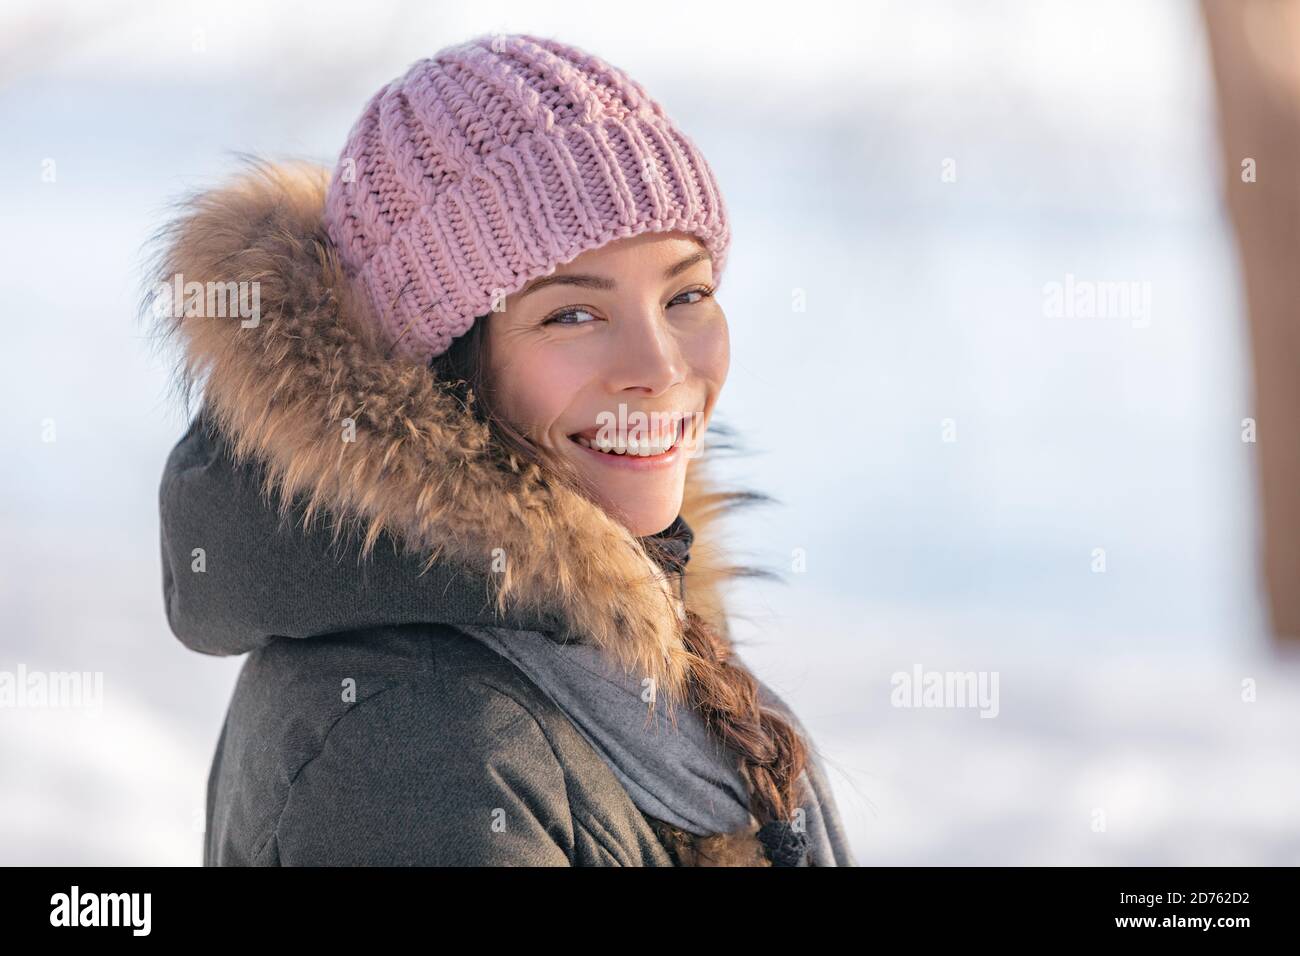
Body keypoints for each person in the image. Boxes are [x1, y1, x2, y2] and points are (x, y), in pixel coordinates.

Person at [153, 32, 854, 866]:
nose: (660, 368)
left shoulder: (616, 634)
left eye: (687, 294)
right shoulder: (421, 747)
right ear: (444, 367)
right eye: (571, 314)